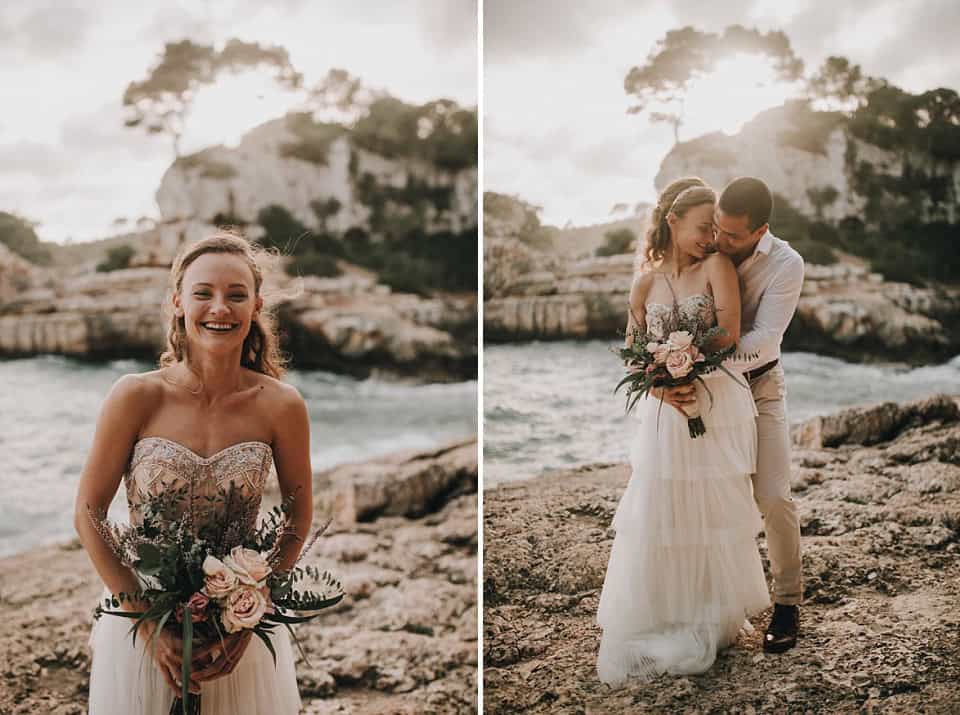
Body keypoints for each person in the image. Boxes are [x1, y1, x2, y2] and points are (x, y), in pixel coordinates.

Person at [74, 231, 312, 714]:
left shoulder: (282, 406)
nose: (219, 308)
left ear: (256, 306)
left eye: (236, 295)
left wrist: (250, 615)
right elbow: (88, 512)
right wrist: (145, 622)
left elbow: (298, 517)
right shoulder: (135, 395)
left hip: (236, 630)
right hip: (141, 618)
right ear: (178, 302)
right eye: (203, 293)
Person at [596, 177, 770, 685]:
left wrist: (686, 356)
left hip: (711, 402)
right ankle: (665, 609)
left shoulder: (717, 267)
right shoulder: (644, 283)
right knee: (661, 508)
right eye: (700, 228)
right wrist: (661, 384)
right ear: (672, 222)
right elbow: (632, 349)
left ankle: (711, 612)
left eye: (714, 230)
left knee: (709, 507)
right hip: (664, 412)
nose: (709, 238)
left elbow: (730, 330)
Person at [660, 176, 805, 653]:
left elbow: (765, 338)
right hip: (702, 392)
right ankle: (709, 604)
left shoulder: (786, 264)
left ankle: (786, 604)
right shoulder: (703, 249)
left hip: (759, 385)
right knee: (703, 498)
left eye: (734, 235)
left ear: (761, 229)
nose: (720, 240)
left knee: (773, 495)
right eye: (717, 228)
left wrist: (696, 362)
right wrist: (667, 377)